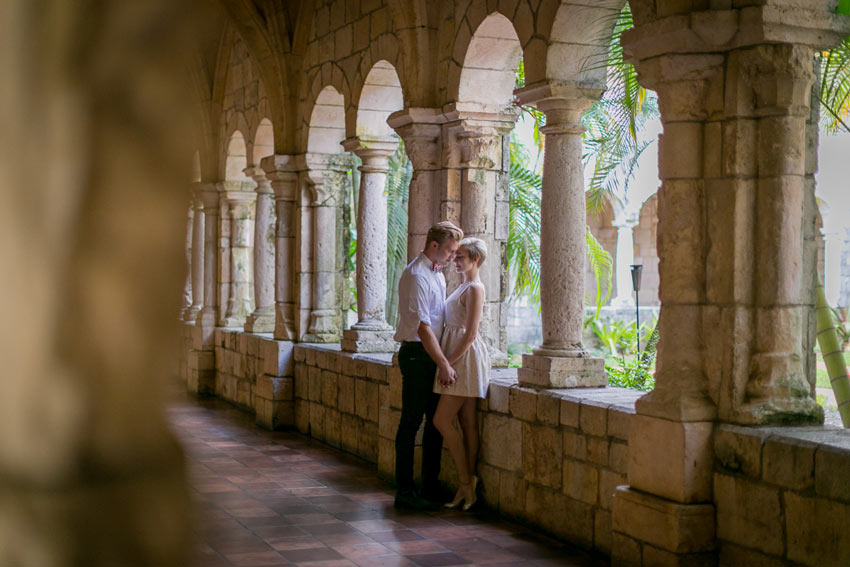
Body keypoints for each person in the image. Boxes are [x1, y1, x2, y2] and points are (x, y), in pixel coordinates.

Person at [393, 221, 463, 510]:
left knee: (436, 423)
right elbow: (423, 328)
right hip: (417, 356)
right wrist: (445, 364)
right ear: (434, 246)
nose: (452, 257)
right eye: (449, 251)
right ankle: (404, 492)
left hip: (432, 356)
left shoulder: (438, 275)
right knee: (411, 424)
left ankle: (429, 485)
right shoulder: (416, 275)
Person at [432, 237, 490, 510]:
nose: (456, 261)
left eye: (461, 257)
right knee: (467, 423)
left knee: (442, 421)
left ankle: (467, 482)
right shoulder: (462, 285)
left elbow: (471, 334)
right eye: (455, 257)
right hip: (457, 356)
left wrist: (448, 363)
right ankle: (467, 487)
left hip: (464, 358)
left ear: (475, 259)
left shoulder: (475, 288)